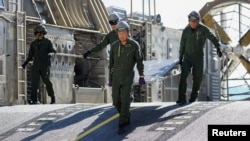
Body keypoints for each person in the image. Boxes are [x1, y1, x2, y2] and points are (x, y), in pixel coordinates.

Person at [176, 11, 223, 105]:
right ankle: (181, 98)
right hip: (187, 57)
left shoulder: (203, 29)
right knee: (183, 77)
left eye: (195, 21)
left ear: (198, 21)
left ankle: (193, 97)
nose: (193, 23)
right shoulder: (186, 31)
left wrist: (218, 47)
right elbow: (182, 45)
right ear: (189, 21)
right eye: (191, 21)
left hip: (198, 57)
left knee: (198, 78)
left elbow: (212, 37)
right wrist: (180, 58)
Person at [109, 21, 146, 134]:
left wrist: (141, 75)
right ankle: (125, 115)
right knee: (116, 101)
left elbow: (139, 61)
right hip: (116, 75)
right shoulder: (114, 46)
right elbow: (110, 64)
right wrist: (110, 78)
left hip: (128, 75)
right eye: (119, 33)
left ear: (128, 32)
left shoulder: (134, 45)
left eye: (124, 32)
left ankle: (122, 123)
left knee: (125, 99)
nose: (121, 35)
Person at [22, 23, 56, 104]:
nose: (39, 35)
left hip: (45, 65)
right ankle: (34, 99)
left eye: (40, 33)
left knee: (46, 81)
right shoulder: (33, 44)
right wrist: (25, 63)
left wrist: (51, 53)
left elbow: (53, 50)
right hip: (36, 65)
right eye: (37, 34)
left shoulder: (48, 42)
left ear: (43, 34)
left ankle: (52, 97)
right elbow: (30, 56)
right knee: (35, 82)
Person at [83, 13, 120, 86]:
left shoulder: (124, 33)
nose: (113, 25)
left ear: (118, 22)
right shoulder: (110, 35)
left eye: (114, 23)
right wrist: (89, 52)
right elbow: (100, 46)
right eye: (111, 24)